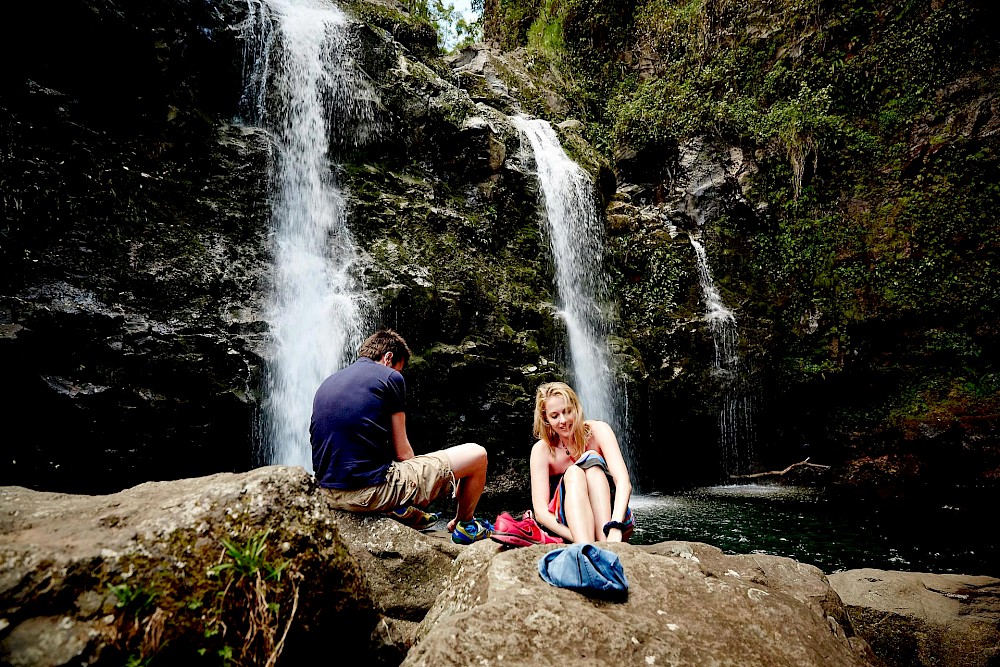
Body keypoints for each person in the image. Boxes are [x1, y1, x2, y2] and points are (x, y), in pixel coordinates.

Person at [310, 328, 492, 544]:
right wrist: (423, 491)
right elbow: (404, 453)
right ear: (388, 358)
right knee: (477, 455)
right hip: (369, 493)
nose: (399, 374)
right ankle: (465, 525)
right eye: (400, 368)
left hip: (328, 494)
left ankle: (396, 507)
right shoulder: (390, 377)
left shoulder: (329, 381)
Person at [529, 381, 634, 543]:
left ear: (576, 408)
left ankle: (604, 540)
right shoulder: (541, 451)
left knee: (591, 460)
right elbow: (541, 512)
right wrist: (579, 537)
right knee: (574, 473)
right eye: (555, 416)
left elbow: (623, 482)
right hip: (572, 525)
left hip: (614, 521)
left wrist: (615, 526)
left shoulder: (599, 430)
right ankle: (595, 546)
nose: (563, 420)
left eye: (567, 411)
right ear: (546, 420)